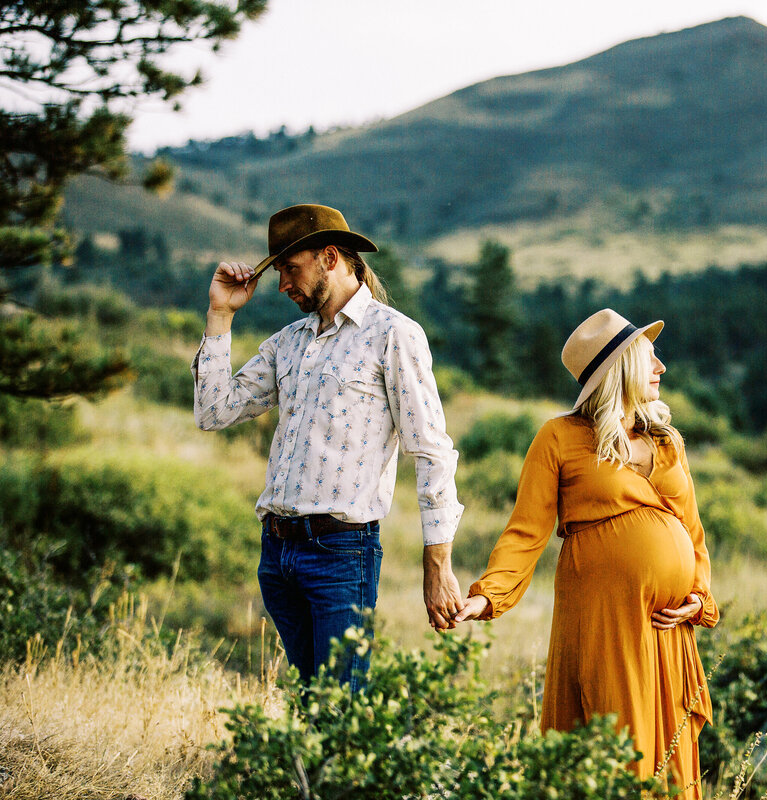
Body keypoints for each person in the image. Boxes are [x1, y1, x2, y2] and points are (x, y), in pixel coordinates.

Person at [192, 203, 465, 691]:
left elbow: (431, 452)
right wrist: (219, 314)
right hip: (277, 553)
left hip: (342, 552)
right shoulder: (287, 343)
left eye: (290, 270)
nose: (282, 286)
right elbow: (214, 411)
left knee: (339, 713)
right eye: (277, 273)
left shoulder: (394, 335)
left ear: (331, 257)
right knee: (308, 704)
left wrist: (438, 564)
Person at [455, 308, 719, 798]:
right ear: (619, 369)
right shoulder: (559, 438)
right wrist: (487, 596)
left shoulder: (667, 442)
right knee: (615, 744)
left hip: (665, 626)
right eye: (650, 357)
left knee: (669, 764)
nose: (661, 367)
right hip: (604, 617)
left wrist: (698, 599)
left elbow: (693, 533)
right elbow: (526, 532)